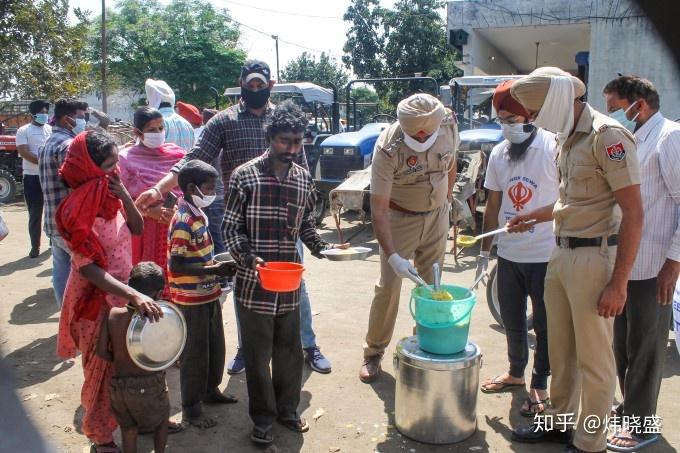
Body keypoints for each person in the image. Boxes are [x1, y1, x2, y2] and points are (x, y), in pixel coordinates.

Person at [136, 59, 333, 375]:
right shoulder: (223, 122)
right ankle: (246, 349)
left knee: (296, 285)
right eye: (250, 83)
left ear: (269, 85)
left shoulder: (284, 119)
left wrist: (307, 216)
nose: (255, 89)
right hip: (245, 222)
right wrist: (160, 189)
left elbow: (302, 169)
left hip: (285, 221)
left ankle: (307, 345)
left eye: (261, 84)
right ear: (242, 84)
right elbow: (194, 158)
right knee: (247, 284)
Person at [507, 67, 643, 453]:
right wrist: (531, 216)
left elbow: (634, 212)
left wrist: (618, 283)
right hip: (562, 253)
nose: (530, 119)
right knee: (561, 353)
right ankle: (560, 422)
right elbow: (573, 201)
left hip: (594, 259)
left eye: (534, 111)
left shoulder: (608, 136)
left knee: (595, 361)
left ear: (554, 103)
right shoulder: (567, 138)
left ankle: (590, 442)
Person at [223, 100, 345, 445]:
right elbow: (231, 229)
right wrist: (249, 258)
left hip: (289, 285)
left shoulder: (303, 179)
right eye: (284, 141)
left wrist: (322, 247)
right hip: (252, 284)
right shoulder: (244, 176)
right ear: (269, 138)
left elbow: (304, 224)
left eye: (297, 142)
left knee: (290, 352)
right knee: (258, 358)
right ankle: (262, 419)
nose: (291, 149)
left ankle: (288, 410)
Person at [55, 130, 163, 452]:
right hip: (94, 302)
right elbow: (88, 268)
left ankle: (127, 419)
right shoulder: (75, 210)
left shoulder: (109, 196)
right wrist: (134, 295)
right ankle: (99, 434)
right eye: (107, 165)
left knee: (124, 365)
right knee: (100, 369)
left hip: (123, 295)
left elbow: (139, 228)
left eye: (116, 163)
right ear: (87, 167)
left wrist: (125, 195)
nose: (114, 170)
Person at [603, 75, 680, 451]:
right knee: (623, 346)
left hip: (654, 266)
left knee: (647, 348)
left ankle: (642, 423)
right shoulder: (636, 138)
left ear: (639, 102)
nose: (613, 115)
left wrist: (674, 263)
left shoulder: (670, 137)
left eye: (616, 107)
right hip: (626, 263)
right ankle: (630, 407)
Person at [360, 93, 458, 383]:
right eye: (415, 133)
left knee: (433, 287)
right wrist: (392, 255)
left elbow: (451, 161)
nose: (423, 136)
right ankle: (373, 351)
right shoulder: (388, 148)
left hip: (437, 214)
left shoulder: (449, 124)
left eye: (428, 132)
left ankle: (427, 345)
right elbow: (378, 209)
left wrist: (450, 197)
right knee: (389, 285)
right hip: (399, 217)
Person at [477, 80, 557, 418]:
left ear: (531, 115)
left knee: (544, 323)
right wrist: (484, 252)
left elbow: (570, 201)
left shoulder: (554, 148)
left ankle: (539, 382)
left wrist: (536, 218)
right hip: (508, 254)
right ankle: (515, 372)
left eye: (512, 119)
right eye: (501, 120)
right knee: (512, 318)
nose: (506, 126)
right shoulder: (499, 153)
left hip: (545, 254)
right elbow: (493, 204)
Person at [167, 160, 237, 429]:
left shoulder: (197, 214)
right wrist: (216, 268)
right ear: (192, 187)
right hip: (190, 297)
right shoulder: (184, 219)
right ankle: (191, 409)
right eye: (209, 187)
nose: (213, 192)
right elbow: (177, 264)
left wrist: (216, 271)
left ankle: (210, 390)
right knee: (195, 353)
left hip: (208, 292)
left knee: (214, 346)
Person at [97, 262, 170, 453]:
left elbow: (101, 351)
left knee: (128, 428)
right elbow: (168, 349)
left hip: (120, 386)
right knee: (162, 421)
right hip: (150, 382)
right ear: (158, 294)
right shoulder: (159, 318)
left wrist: (121, 359)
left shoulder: (113, 314)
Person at [118, 106, 185, 296]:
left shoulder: (178, 154)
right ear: (137, 132)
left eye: (160, 128)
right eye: (151, 130)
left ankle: (177, 319)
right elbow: (118, 201)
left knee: (178, 281)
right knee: (148, 281)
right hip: (144, 230)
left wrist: (178, 211)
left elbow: (190, 190)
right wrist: (149, 212)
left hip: (176, 227)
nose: (158, 133)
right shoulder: (125, 159)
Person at [39, 99, 89, 307]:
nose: (83, 121)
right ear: (68, 119)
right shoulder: (68, 146)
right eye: (81, 117)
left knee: (60, 272)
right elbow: (77, 185)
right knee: (85, 273)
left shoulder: (47, 143)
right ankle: (76, 323)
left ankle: (65, 318)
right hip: (70, 223)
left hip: (53, 221)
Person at [16, 100, 52, 257]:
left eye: (46, 112)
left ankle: (53, 242)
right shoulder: (23, 131)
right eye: (42, 112)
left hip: (50, 177)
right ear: (33, 114)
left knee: (53, 212)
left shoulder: (50, 129)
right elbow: (24, 152)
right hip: (32, 177)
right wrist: (44, 162)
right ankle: (35, 246)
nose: (45, 115)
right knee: (35, 214)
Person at [145, 79, 194, 151]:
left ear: (153, 100)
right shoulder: (187, 124)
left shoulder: (155, 124)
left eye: (147, 101)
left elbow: (149, 154)